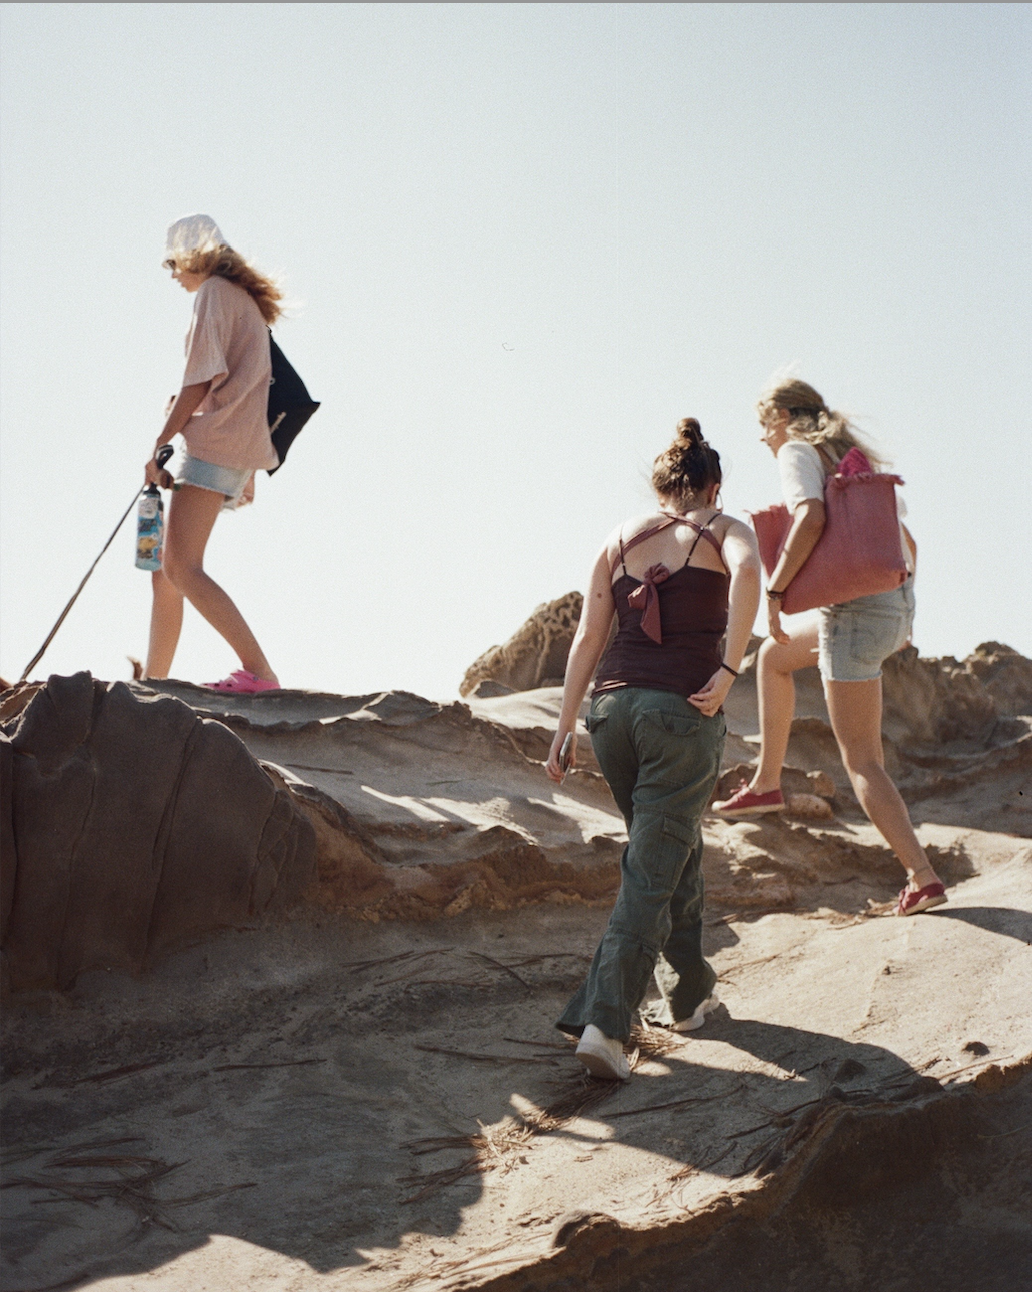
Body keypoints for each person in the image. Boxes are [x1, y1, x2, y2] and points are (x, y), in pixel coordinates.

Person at [546, 418, 761, 1080]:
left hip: (611, 713)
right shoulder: (726, 528)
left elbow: (588, 635)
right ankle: (606, 1024)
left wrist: (564, 725)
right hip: (681, 712)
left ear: (662, 486)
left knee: (670, 846)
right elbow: (751, 573)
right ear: (712, 485)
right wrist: (729, 670)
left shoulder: (618, 537)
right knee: (653, 864)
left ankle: (691, 993)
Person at [712, 378, 946, 919]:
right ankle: (767, 783)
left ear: (785, 418)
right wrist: (902, 613)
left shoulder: (798, 451)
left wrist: (775, 591)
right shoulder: (846, 458)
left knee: (863, 760)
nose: (763, 438)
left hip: (854, 616)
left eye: (764, 424)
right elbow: (907, 543)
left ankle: (923, 878)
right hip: (891, 607)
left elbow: (810, 519)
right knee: (774, 658)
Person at [143, 214, 281, 693]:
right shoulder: (241, 299)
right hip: (233, 449)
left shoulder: (213, 294)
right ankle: (153, 684)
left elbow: (198, 381)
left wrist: (158, 447)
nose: (173, 274)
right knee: (166, 572)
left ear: (192, 256)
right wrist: (249, 472)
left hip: (214, 445)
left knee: (182, 567)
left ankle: (260, 672)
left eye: (173, 263)